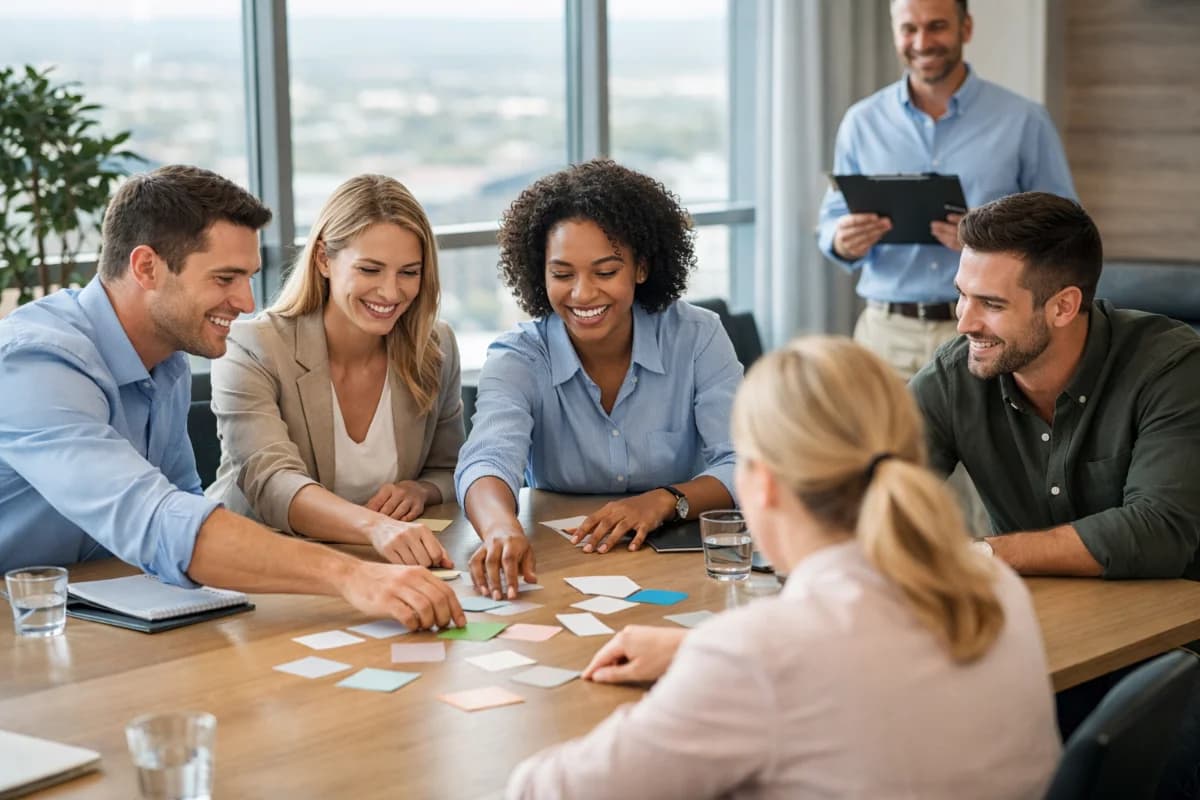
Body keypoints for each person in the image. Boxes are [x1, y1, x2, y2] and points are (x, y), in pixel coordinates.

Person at [506, 336, 1060, 799]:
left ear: (761, 484)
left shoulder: (762, 656)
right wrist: (699, 653)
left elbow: (547, 792)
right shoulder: (993, 585)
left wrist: (718, 667)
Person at [0, 165, 464, 631]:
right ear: (146, 267)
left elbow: (188, 501)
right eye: (225, 279)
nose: (246, 301)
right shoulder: (37, 363)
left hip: (96, 612)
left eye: (248, 278)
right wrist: (352, 575)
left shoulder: (167, 360)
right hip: (22, 618)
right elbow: (159, 520)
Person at [455, 160, 742, 599]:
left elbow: (744, 462)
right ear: (540, 273)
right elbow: (487, 460)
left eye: (605, 272)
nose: (583, 293)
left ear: (641, 268)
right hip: (562, 564)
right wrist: (499, 529)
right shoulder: (519, 355)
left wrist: (665, 499)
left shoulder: (698, 336)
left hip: (682, 565)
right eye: (562, 274)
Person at [911, 191, 1200, 579]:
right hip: (1039, 615)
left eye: (992, 304)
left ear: (1063, 306)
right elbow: (870, 486)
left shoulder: (1171, 368)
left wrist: (981, 554)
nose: (965, 323)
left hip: (1172, 621)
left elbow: (1159, 531)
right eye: (962, 295)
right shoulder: (954, 374)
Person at [206, 174, 462, 569]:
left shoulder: (435, 347)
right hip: (261, 571)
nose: (391, 293)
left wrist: (421, 490)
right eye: (370, 270)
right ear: (324, 259)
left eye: (408, 272)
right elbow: (272, 482)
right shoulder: (251, 347)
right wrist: (375, 527)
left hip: (382, 568)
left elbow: (450, 469)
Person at [817, 0, 1076, 379]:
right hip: (885, 335)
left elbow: (1065, 231)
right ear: (895, 33)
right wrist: (843, 239)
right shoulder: (861, 122)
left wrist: (987, 242)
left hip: (990, 332)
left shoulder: (1023, 121)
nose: (922, 41)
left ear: (965, 28)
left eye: (936, 26)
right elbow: (831, 221)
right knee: (879, 441)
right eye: (909, 29)